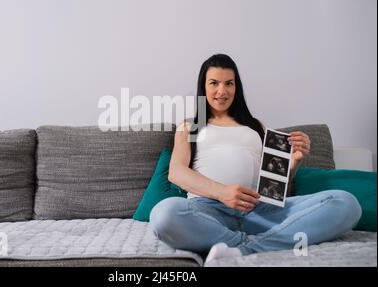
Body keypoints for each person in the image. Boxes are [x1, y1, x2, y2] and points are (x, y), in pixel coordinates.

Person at [149, 54, 362, 261]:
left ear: (236, 88)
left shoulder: (256, 126)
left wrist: (294, 162)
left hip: (261, 208)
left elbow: (278, 191)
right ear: (203, 87)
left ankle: (246, 249)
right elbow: (177, 173)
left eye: (229, 84)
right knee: (163, 214)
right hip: (209, 211)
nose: (222, 91)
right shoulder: (190, 126)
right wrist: (223, 193)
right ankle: (257, 243)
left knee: (346, 203)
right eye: (214, 83)